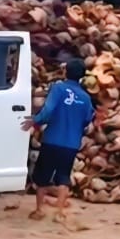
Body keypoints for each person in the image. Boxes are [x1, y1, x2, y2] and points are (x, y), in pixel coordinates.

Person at [22, 59, 95, 222]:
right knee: (63, 176)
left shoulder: (58, 89)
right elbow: (87, 120)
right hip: (71, 144)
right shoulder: (85, 97)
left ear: (65, 72)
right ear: (82, 76)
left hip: (52, 140)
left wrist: (35, 120)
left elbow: (48, 111)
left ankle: (39, 210)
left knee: (43, 175)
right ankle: (59, 213)